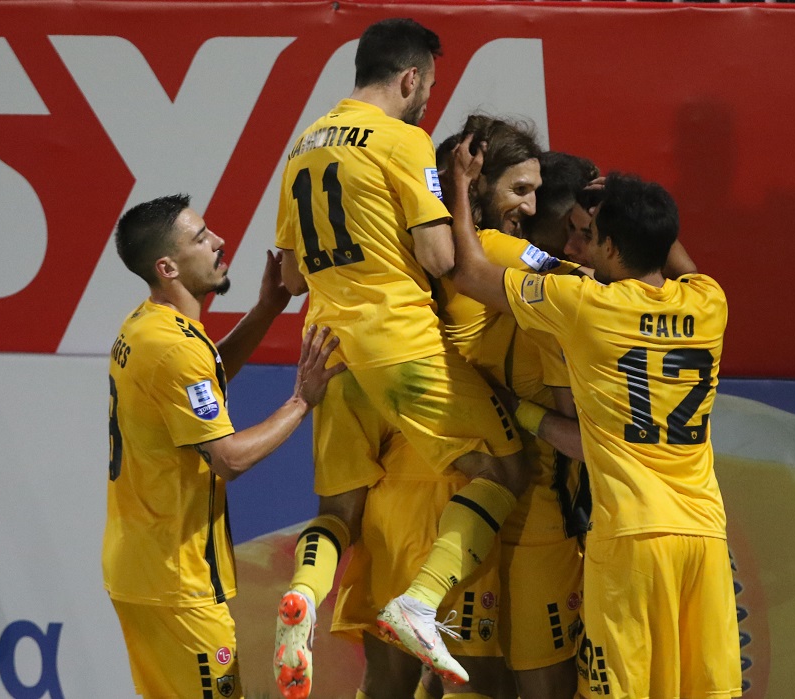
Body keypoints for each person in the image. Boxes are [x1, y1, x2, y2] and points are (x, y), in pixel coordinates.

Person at [273, 19, 530, 695]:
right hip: (398, 343)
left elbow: (291, 277)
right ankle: (421, 601)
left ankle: (302, 594)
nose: (427, 102)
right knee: (503, 466)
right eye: (429, 88)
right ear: (410, 77)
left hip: (326, 350)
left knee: (340, 509)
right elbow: (440, 257)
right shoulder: (403, 139)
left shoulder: (303, 144)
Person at [448, 141, 743, 699]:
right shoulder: (710, 303)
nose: (577, 243)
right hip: (704, 535)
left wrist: (462, 189)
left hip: (629, 539)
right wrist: (636, 203)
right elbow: (678, 262)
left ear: (608, 245)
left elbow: (469, 273)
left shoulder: (585, 305)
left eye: (590, 233)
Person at [103, 193, 345, 699]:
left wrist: (265, 310)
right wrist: (301, 401)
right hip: (180, 582)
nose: (219, 241)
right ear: (167, 267)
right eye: (201, 238)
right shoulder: (174, 348)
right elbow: (229, 458)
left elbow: (204, 384)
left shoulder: (145, 326)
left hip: (142, 571)